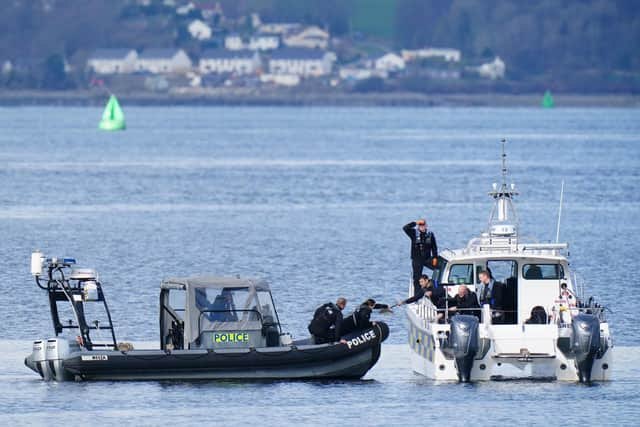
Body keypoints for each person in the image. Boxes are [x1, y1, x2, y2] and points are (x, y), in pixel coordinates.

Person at [403, 219, 438, 295]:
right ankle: (417, 294)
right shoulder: (414, 233)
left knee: (438, 269)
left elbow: (434, 247)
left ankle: (436, 287)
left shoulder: (430, 234)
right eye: (420, 225)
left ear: (426, 226)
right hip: (417, 259)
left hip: (427, 258)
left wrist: (435, 257)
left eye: (423, 225)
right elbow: (405, 228)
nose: (422, 227)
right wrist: (415, 223)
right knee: (417, 278)